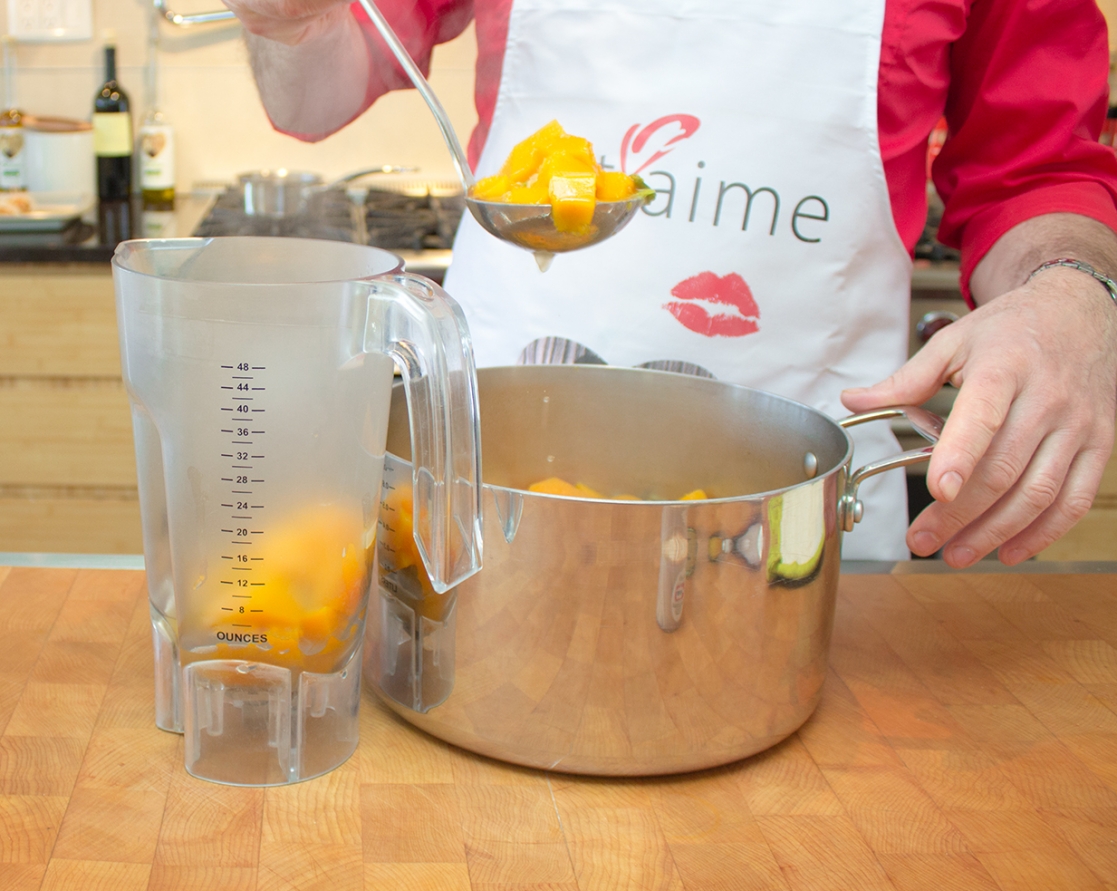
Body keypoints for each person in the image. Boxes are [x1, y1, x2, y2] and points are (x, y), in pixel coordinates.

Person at [223, 0, 1117, 566]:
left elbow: (1035, 173)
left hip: (799, 532)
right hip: (487, 502)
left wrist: (1071, 291)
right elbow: (313, 92)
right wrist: (287, 24)